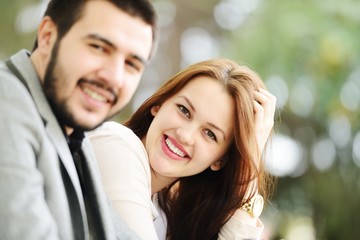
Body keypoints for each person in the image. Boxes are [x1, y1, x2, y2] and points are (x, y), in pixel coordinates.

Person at [0, 0, 157, 239]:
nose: (114, 78)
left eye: (131, 64)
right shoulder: (7, 102)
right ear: (47, 36)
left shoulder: (74, 134)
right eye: (98, 47)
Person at [88, 58, 277, 239]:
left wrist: (247, 176)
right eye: (184, 110)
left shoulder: (167, 214)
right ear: (159, 104)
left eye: (210, 134)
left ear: (220, 161)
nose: (185, 136)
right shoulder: (116, 145)